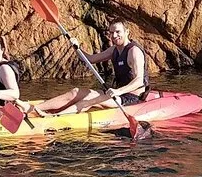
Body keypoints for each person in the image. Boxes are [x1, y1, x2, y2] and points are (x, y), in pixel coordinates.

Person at [17, 20, 149, 116]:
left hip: (131, 98)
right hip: (117, 94)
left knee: (89, 99)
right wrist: (77, 48)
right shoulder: (114, 50)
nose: (114, 36)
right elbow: (90, 59)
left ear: (127, 32)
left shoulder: (134, 51)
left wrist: (117, 91)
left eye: (118, 32)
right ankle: (33, 108)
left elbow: (139, 81)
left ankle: (54, 117)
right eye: (111, 32)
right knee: (76, 92)